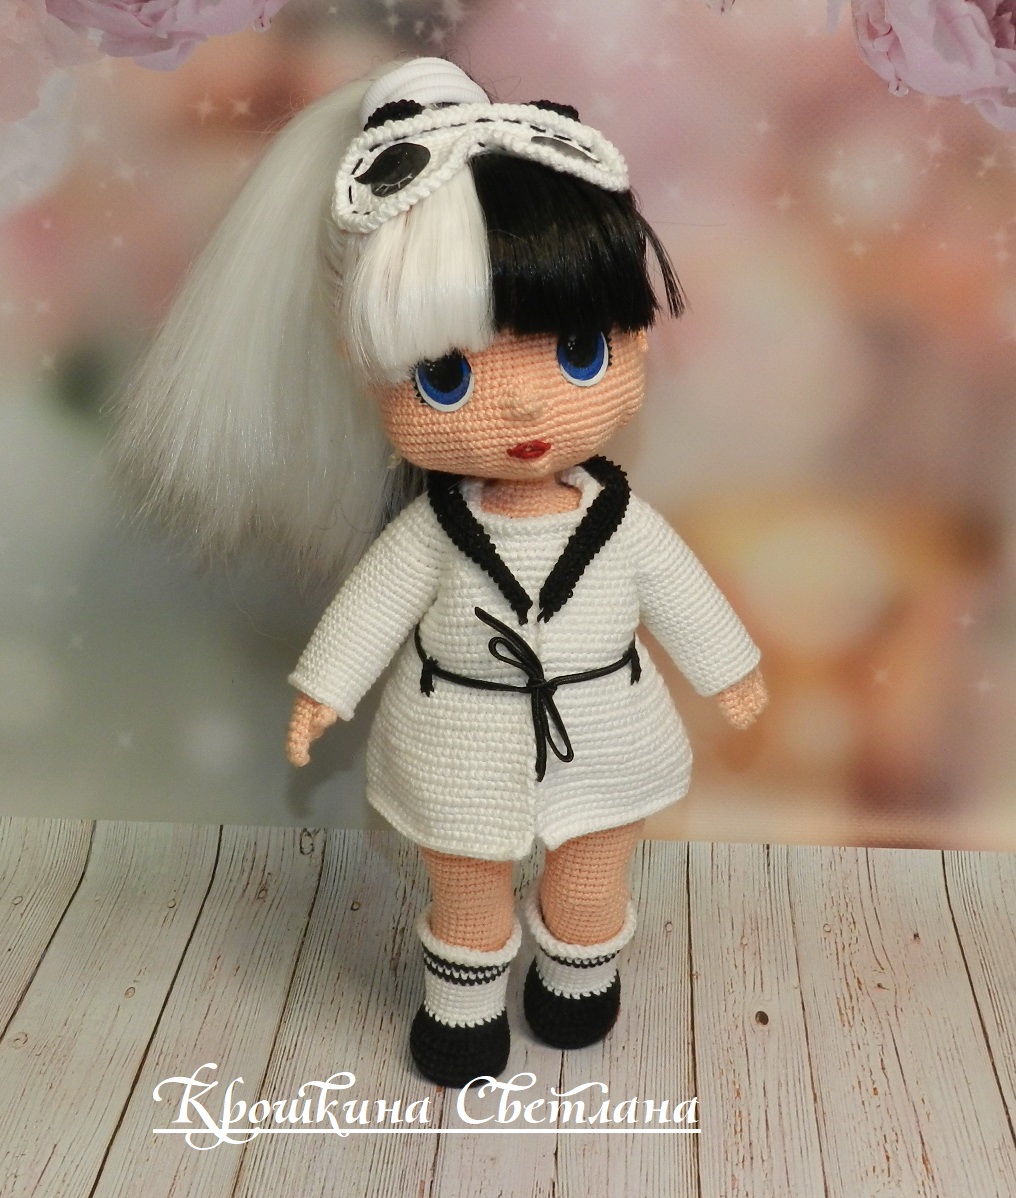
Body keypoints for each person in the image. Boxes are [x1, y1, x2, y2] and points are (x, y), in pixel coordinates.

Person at [118, 56, 768, 1089]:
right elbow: (371, 609)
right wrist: (324, 689)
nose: (523, 408)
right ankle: (461, 1010)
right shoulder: (430, 534)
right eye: (449, 374)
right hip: (456, 734)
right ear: (376, 379)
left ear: (636, 343)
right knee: (464, 890)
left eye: (579, 352)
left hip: (605, 730)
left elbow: (682, 595)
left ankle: (578, 981)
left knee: (590, 879)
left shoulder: (623, 524)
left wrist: (729, 670)